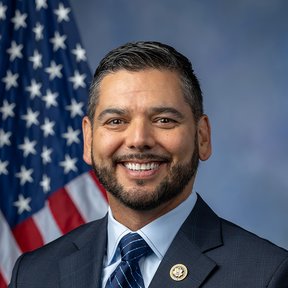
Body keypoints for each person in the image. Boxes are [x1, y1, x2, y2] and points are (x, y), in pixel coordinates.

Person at [9, 41, 288, 287]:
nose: (139, 140)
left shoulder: (266, 275)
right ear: (88, 139)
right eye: (116, 121)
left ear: (202, 137)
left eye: (164, 120)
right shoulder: (33, 274)